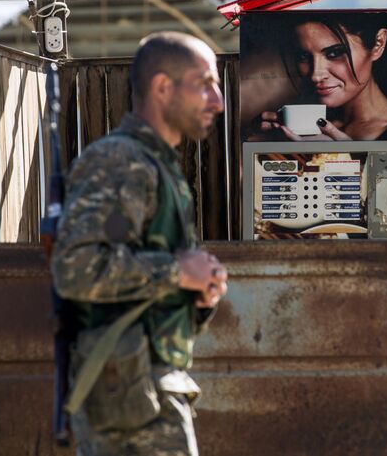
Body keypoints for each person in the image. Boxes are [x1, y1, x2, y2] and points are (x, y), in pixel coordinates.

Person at [52, 31, 228, 456]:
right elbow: (74, 268)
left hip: (148, 391)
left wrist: (198, 293)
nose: (218, 101)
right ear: (163, 88)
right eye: (204, 84)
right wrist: (177, 271)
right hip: (127, 400)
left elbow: (143, 284)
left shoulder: (155, 165)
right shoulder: (120, 160)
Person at [253, 12, 387, 141]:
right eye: (303, 56)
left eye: (335, 53)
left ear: (378, 44)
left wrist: (351, 161)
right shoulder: (299, 129)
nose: (315, 75)